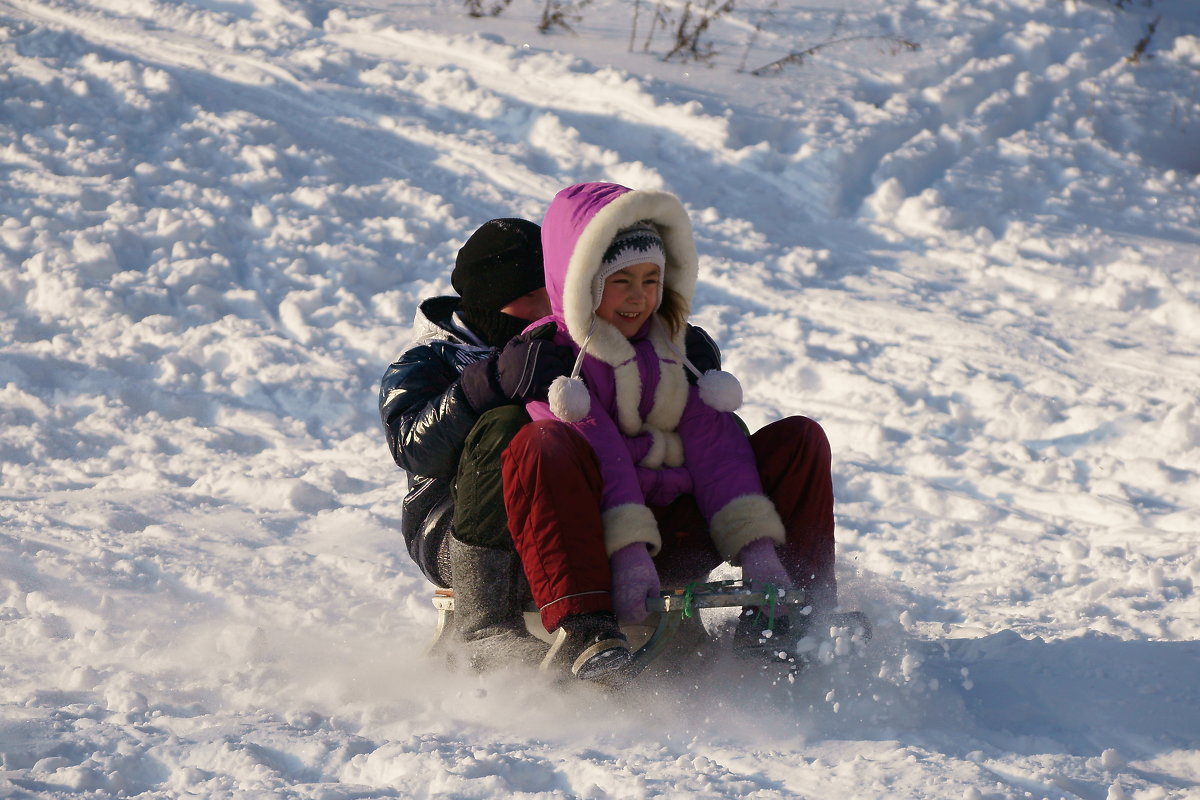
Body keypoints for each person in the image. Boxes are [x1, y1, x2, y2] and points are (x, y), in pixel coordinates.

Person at [501, 182, 838, 682]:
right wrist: (631, 553)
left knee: (799, 439)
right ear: (585, 282)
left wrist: (758, 549)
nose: (640, 297)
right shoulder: (551, 357)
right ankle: (586, 626)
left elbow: (717, 450)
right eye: (621, 281)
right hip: (596, 544)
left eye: (652, 279)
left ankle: (789, 614)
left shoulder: (674, 350)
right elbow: (603, 452)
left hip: (677, 532)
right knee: (542, 445)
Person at [378, 215, 726, 674]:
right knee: (510, 428)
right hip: (462, 532)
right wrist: (484, 387)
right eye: (549, 290)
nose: (568, 299)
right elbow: (412, 445)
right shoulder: (433, 356)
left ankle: (698, 611)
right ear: (513, 299)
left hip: (572, 522)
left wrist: (680, 356)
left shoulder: (576, 340)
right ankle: (484, 624)